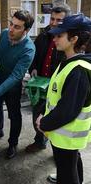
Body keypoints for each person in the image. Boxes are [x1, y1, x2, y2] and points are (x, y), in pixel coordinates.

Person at [36, 13, 91, 184]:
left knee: (67, 172)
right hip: (63, 134)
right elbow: (57, 96)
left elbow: (67, 110)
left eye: (60, 35)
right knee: (71, 164)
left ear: (74, 39)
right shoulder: (68, 61)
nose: (54, 39)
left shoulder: (79, 70)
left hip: (67, 135)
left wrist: (43, 123)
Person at [0, 10, 35, 159]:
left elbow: (15, 76)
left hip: (13, 86)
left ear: (26, 30)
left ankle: (13, 143)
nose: (11, 29)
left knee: (14, 114)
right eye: (11, 24)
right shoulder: (4, 33)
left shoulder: (29, 49)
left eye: (17, 27)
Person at [25, 5, 71, 153]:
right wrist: (33, 67)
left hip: (57, 86)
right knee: (37, 116)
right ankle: (39, 141)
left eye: (59, 20)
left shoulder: (69, 38)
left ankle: (59, 150)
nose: (54, 22)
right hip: (40, 84)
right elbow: (34, 54)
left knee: (55, 118)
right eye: (52, 18)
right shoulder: (44, 34)